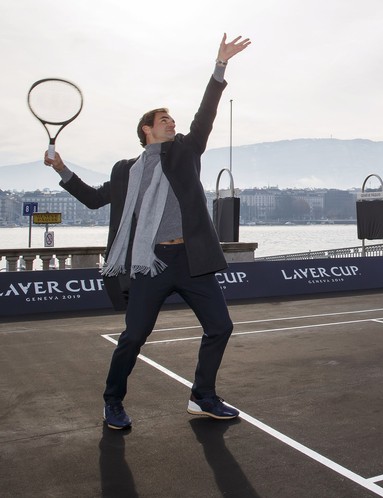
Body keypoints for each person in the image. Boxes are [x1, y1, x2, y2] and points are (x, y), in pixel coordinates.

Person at [44, 34, 251, 430]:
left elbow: (205, 115)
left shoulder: (186, 150)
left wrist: (220, 66)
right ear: (146, 130)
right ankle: (112, 401)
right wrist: (61, 170)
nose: (172, 123)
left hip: (191, 260)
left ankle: (202, 397)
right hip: (149, 264)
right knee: (133, 338)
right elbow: (92, 199)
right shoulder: (126, 170)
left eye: (173, 119)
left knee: (220, 327)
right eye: (164, 120)